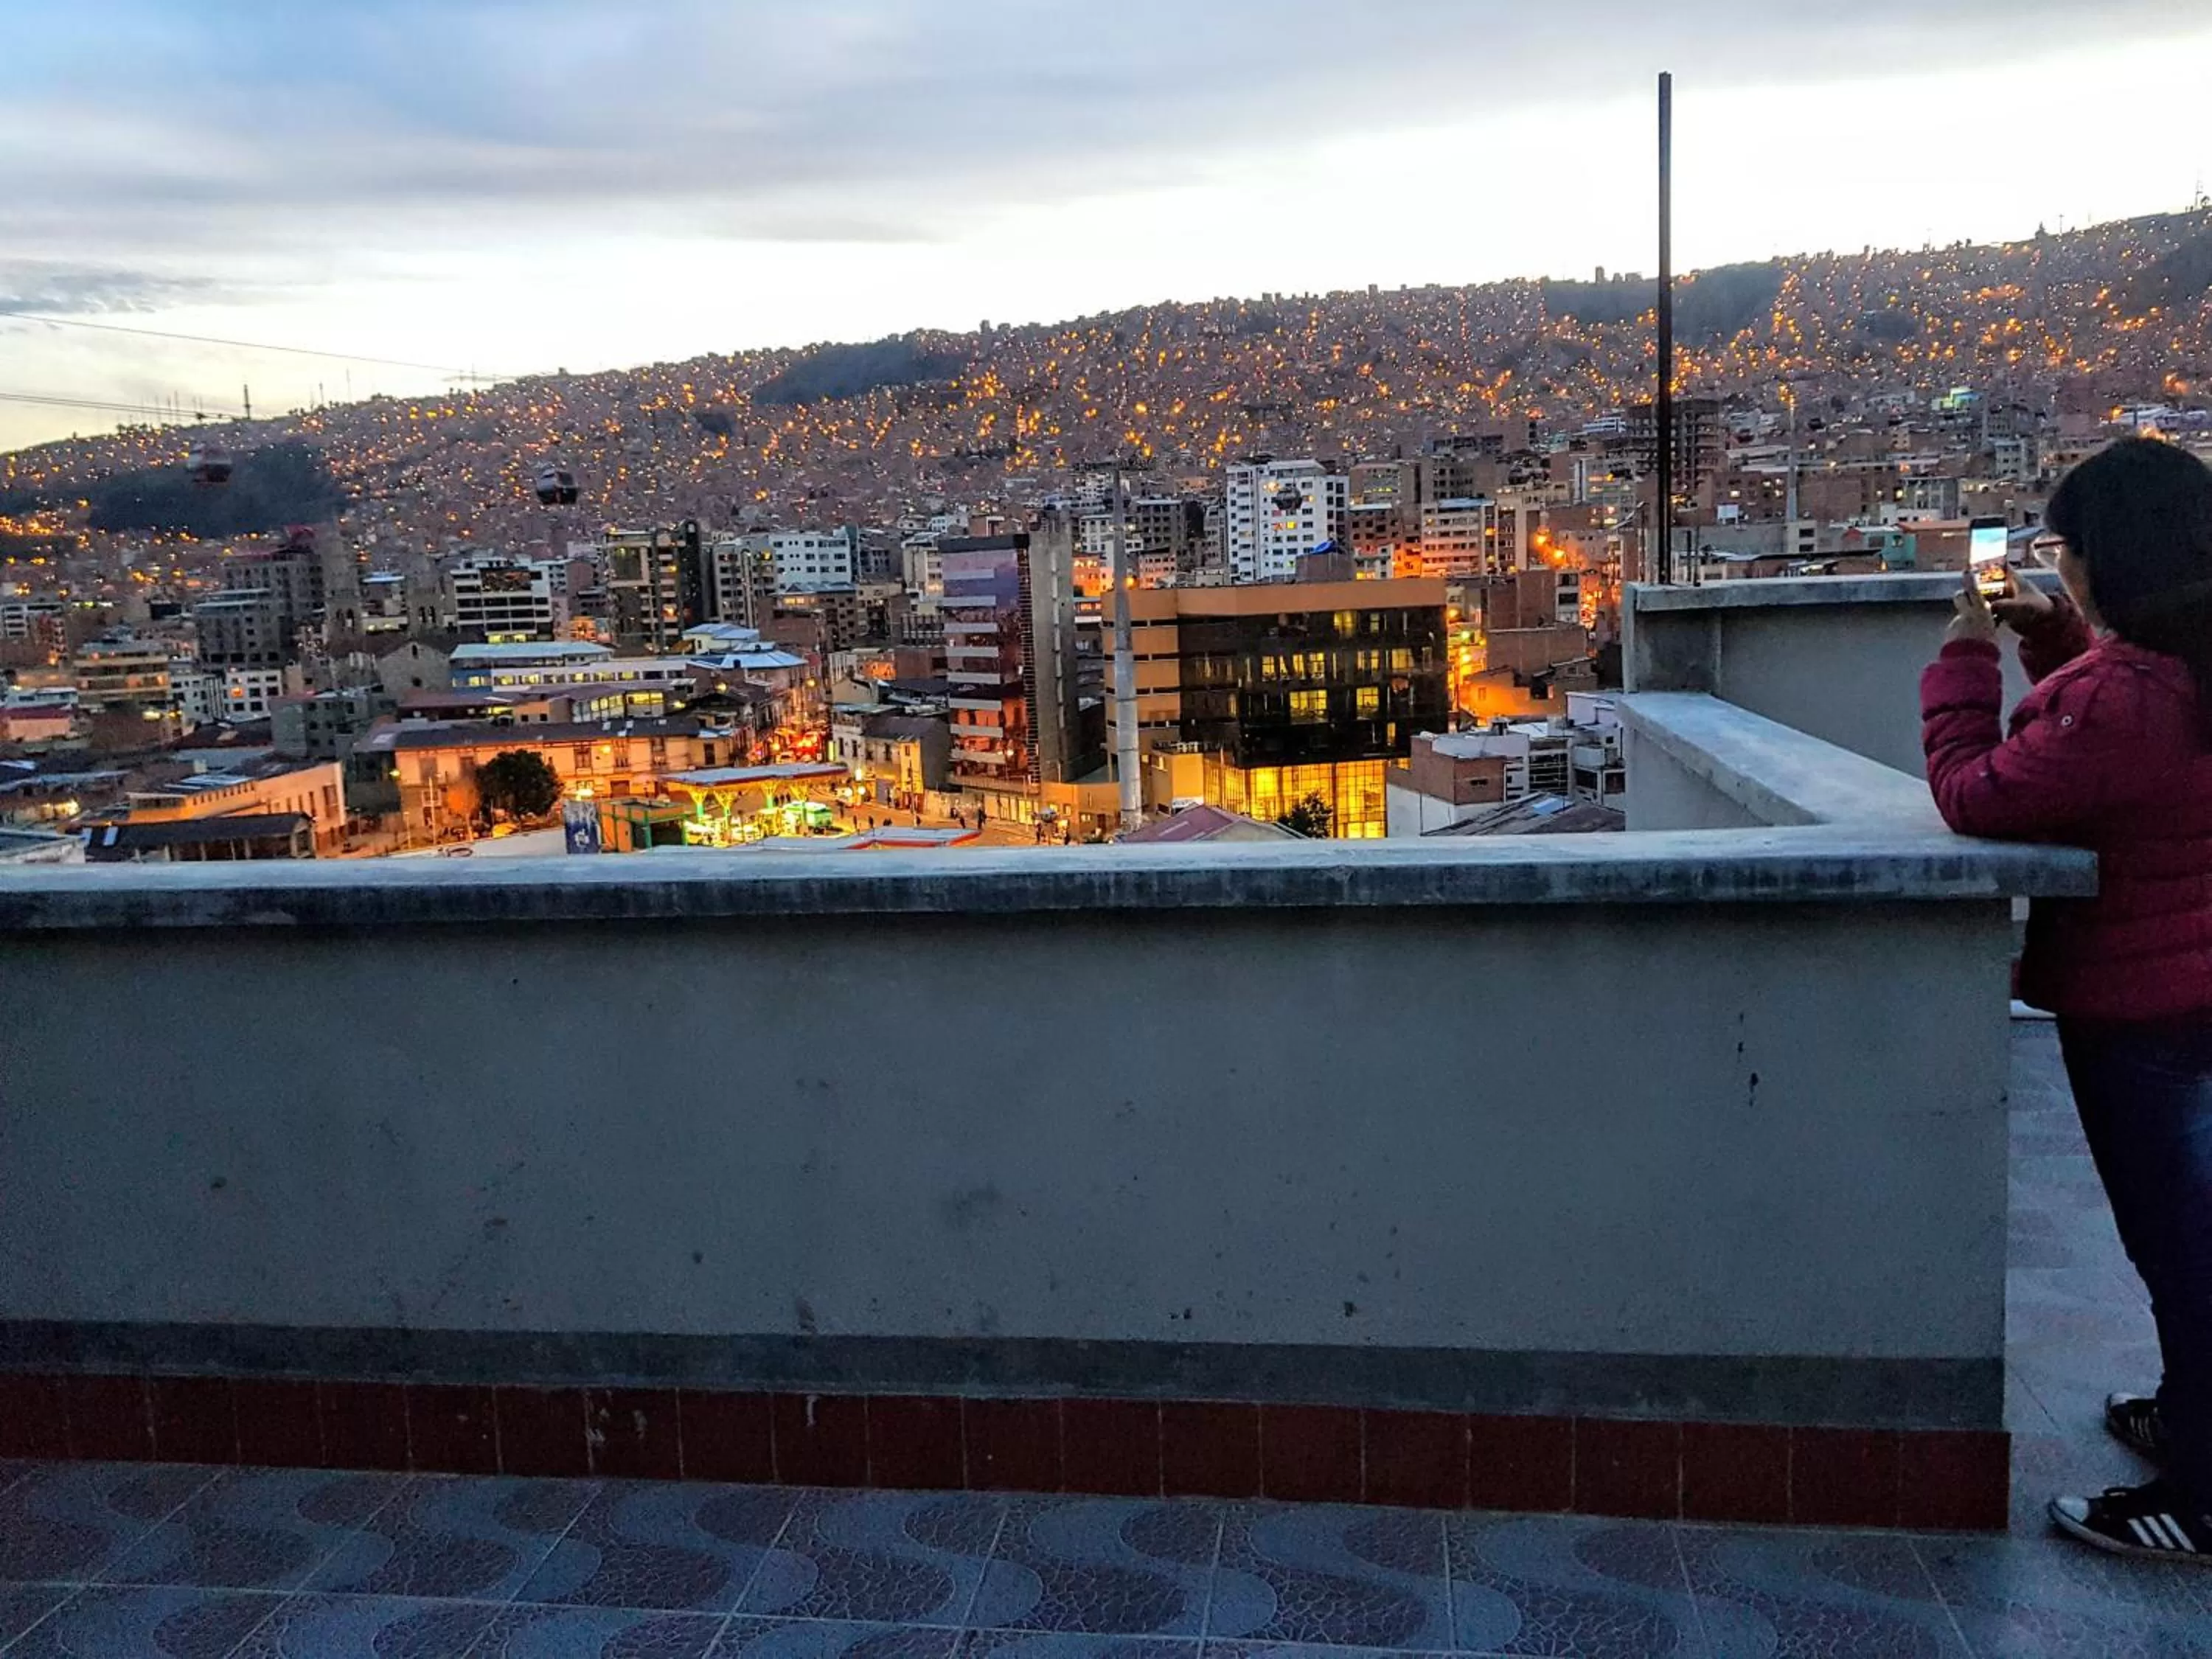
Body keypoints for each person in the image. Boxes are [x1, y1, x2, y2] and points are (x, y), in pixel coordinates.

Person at [1921, 437, 2212, 1563]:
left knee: (2181, 1249)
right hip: (2189, 993)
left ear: (2110, 559)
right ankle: (2188, 1415)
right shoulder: (2178, 673)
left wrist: (1966, 657)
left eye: (2066, 549)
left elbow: (1976, 792)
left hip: (2145, 1012)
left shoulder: (2130, 700)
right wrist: (2058, 641)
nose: (2061, 566)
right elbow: (2113, 748)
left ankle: (2202, 1493)